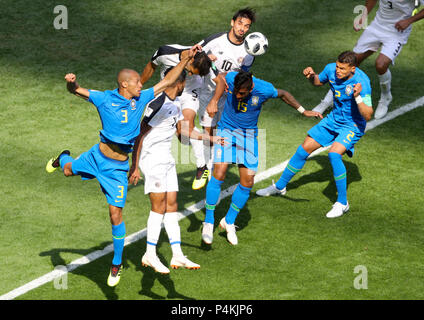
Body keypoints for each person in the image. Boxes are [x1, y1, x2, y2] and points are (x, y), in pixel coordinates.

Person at [45, 45, 200, 286]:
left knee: (115, 214)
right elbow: (76, 90)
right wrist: (71, 82)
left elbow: (168, 80)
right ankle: (63, 157)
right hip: (97, 157)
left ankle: (116, 263)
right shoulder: (105, 98)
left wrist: (187, 58)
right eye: (138, 82)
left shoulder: (142, 98)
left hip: (118, 170)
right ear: (124, 84)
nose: (142, 84)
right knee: (67, 170)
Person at [201, 70, 321, 245]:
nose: (237, 95)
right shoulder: (233, 78)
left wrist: (304, 111)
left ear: (250, 89)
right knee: (219, 173)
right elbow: (220, 76)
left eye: (241, 93)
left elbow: (284, 94)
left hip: (248, 136)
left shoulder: (264, 89)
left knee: (248, 182)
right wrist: (214, 100)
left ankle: (229, 221)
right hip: (226, 130)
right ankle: (209, 221)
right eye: (235, 91)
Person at [128, 67, 226, 273]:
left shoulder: (176, 103)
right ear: (178, 83)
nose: (185, 87)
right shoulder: (157, 104)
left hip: (167, 159)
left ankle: (178, 255)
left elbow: (185, 131)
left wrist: (212, 138)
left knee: (171, 205)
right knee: (158, 207)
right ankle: (150, 253)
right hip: (152, 159)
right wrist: (134, 166)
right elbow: (138, 135)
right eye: (184, 84)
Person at [257, 51, 373, 219]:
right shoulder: (331, 69)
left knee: (334, 154)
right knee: (303, 149)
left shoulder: (362, 83)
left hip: (352, 125)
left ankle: (342, 203)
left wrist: (358, 97)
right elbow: (318, 82)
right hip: (333, 119)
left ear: (353, 69)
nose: (338, 71)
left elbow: (368, 115)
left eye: (342, 68)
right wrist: (311, 76)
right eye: (337, 66)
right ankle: (280, 187)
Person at [314, 0, 424, 119]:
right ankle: (328, 100)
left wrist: (409, 21)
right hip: (378, 26)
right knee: (351, 62)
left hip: (397, 31)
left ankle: (386, 97)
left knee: (381, 64)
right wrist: (363, 15)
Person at [139, 44, 226, 191]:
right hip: (170, 91)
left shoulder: (203, 60)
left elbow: (220, 83)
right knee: (183, 136)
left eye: (195, 74)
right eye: (191, 72)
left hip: (190, 92)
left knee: (187, 126)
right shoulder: (165, 53)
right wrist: (140, 84)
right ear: (189, 60)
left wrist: (214, 101)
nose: (191, 75)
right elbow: (151, 65)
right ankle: (206, 152)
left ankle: (202, 167)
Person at [193, 7, 257, 190]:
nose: (242, 29)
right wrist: (206, 59)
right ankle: (204, 166)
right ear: (232, 22)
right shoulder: (216, 40)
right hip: (206, 92)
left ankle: (212, 166)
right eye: (240, 24)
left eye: (246, 26)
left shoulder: (249, 52)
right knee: (208, 131)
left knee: (222, 133)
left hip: (227, 96)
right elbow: (194, 54)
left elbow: (243, 77)